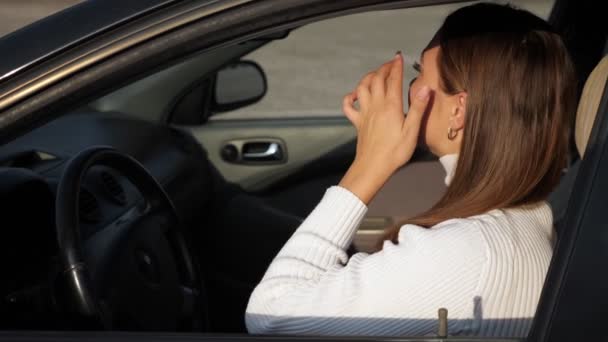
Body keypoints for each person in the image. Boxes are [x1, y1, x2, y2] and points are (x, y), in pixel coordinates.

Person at [245, 3, 577, 337]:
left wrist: (371, 163)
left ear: (458, 110)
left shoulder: (467, 253)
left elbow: (271, 311)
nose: (410, 88)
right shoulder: (528, 220)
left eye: (419, 73)